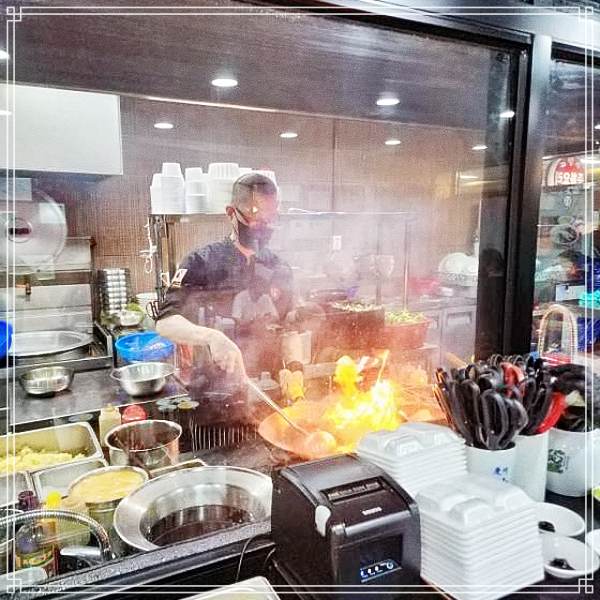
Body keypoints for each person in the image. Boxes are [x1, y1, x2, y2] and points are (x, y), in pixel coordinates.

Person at [156, 173, 292, 378]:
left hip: (269, 382)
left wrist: (294, 366)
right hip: (214, 383)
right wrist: (212, 337)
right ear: (231, 213)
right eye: (255, 216)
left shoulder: (279, 266)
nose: (263, 225)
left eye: (270, 217)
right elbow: (165, 323)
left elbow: (290, 323)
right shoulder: (199, 261)